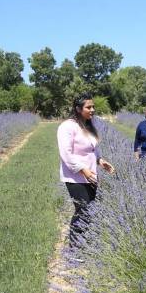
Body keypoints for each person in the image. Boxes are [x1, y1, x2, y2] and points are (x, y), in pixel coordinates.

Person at [57, 93, 115, 247]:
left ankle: (85, 243)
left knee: (90, 210)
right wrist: (83, 170)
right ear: (78, 108)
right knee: (82, 209)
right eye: (89, 107)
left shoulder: (87, 126)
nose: (92, 110)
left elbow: (92, 149)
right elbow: (66, 154)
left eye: (93, 106)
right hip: (75, 177)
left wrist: (100, 161)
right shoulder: (67, 127)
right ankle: (75, 248)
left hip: (91, 175)